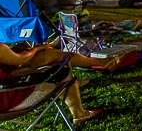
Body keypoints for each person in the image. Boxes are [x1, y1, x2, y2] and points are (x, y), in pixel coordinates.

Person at [0, 42, 128, 124]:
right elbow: (21, 59)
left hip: (7, 86)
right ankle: (79, 114)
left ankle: (100, 63)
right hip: (10, 101)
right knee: (62, 73)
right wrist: (36, 48)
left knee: (47, 55)